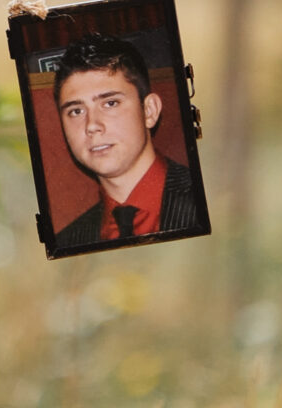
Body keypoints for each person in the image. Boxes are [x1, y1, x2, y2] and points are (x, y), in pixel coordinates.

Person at [47, 35, 200, 248]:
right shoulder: (67, 242)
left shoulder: (205, 201)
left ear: (149, 111)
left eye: (110, 103)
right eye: (76, 111)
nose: (92, 125)